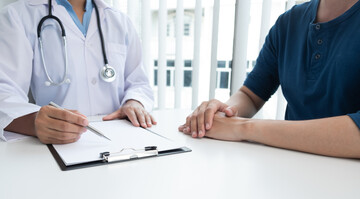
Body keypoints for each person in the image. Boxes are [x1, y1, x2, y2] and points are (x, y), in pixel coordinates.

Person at [179, 0, 360, 159]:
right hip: (290, 170)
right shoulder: (289, 22)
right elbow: (250, 94)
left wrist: (242, 128)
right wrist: (221, 114)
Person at [0, 0, 156, 144]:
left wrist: (134, 102)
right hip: (58, 147)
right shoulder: (17, 16)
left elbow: (139, 82)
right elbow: (4, 92)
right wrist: (34, 122)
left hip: (120, 141)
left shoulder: (120, 21)